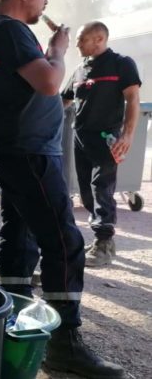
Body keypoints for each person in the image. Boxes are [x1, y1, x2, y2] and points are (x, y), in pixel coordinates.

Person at [0, 0, 123, 377]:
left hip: (18, 149)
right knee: (64, 241)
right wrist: (57, 47)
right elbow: (49, 82)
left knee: (20, 234)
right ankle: (64, 345)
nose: (46, 1)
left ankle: (16, 324)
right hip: (28, 152)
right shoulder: (7, 30)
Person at [62, 21, 142, 267]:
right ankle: (102, 239)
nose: (76, 44)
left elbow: (132, 100)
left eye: (81, 40)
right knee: (86, 191)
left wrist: (127, 135)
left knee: (101, 187)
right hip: (81, 138)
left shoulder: (121, 64)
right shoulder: (79, 71)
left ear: (99, 39)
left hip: (107, 138)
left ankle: (104, 242)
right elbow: (62, 102)